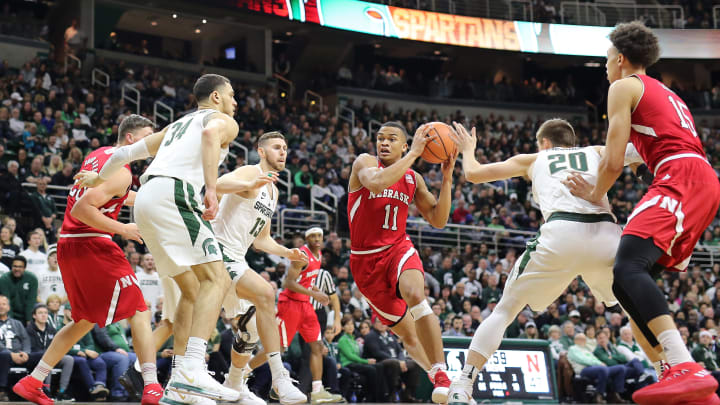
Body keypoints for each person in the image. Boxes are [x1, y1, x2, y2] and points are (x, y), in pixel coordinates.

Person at [563, 21, 720, 405]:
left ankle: (682, 365)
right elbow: (633, 150)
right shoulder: (665, 94)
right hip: (695, 177)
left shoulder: (622, 86)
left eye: (604, 60)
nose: (604, 68)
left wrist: (596, 194)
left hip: (680, 176)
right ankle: (680, 378)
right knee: (626, 279)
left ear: (619, 59)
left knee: (628, 266)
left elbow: (614, 161)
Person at [447, 118, 642, 403]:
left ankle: (464, 383)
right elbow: (639, 150)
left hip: (561, 232)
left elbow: (474, 174)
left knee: (505, 310)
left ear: (545, 143)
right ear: (571, 143)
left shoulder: (533, 158)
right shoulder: (596, 151)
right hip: (606, 234)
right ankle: (672, 367)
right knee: (635, 305)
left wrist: (468, 148)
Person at [75, 75, 241, 402]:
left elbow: (126, 154)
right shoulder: (221, 121)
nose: (235, 102)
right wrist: (210, 188)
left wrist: (99, 176)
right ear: (217, 97)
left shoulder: (177, 126)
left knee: (190, 291)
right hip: (174, 194)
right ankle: (193, 366)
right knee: (217, 277)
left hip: (147, 200)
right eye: (232, 95)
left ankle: (179, 383)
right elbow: (210, 135)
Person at [123, 132, 308, 405]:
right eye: (276, 147)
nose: (282, 152)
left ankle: (234, 382)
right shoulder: (251, 171)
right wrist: (248, 182)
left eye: (285, 147)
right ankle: (278, 379)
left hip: (239, 257)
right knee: (266, 294)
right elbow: (217, 184)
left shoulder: (274, 189)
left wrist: (286, 252)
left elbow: (261, 239)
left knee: (252, 328)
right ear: (261, 150)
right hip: (217, 253)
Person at [12, 114, 163, 405]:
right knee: (140, 310)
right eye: (148, 137)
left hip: (69, 244)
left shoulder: (99, 156)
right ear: (130, 139)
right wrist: (125, 229)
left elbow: (112, 194)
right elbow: (84, 208)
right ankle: (151, 385)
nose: (152, 145)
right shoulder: (121, 169)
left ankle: (33, 381)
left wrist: (148, 199)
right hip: (92, 244)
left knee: (82, 321)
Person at [347, 121, 456, 402]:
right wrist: (414, 155)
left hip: (398, 248)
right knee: (408, 337)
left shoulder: (412, 178)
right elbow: (376, 182)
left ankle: (443, 372)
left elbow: (438, 219)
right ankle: (437, 377)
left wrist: (447, 179)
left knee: (416, 295)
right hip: (365, 263)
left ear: (404, 144)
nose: (383, 143)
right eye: (380, 138)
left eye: (391, 139)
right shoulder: (365, 163)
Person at [265, 227, 343, 404]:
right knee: (278, 348)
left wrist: (316, 291)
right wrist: (315, 294)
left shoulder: (319, 255)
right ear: (307, 239)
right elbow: (288, 283)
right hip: (290, 304)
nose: (316, 239)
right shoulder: (302, 255)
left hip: (305, 305)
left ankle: (317, 391)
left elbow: (306, 281)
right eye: (312, 236)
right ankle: (243, 371)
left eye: (319, 236)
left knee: (317, 346)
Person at [25, 304, 74, 401]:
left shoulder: (52, 330)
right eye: (40, 313)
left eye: (45, 313)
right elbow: (30, 349)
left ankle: (62, 392)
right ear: (34, 316)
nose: (43, 315)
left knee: (69, 359)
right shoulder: (29, 330)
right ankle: (46, 390)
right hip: (35, 356)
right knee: (48, 358)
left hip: (49, 356)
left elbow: (57, 346)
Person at [568, 333, 627, 404]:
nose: (582, 341)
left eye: (584, 339)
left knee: (620, 368)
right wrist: (599, 364)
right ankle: (599, 395)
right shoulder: (573, 349)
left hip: (596, 367)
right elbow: (582, 360)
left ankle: (616, 394)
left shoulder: (586, 350)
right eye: (580, 339)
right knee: (603, 369)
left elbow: (594, 359)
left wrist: (600, 363)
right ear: (575, 340)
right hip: (584, 370)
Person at [0, 295, 33, 400]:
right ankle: (2, 391)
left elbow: (25, 339)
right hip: (3, 355)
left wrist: (26, 352)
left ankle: (39, 390)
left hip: (21, 354)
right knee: (4, 355)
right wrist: (10, 354)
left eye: (4, 304)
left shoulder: (17, 323)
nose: (1, 306)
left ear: (8, 307)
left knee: (41, 356)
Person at [0, 256, 38, 324]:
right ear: (11, 267)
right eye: (15, 266)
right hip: (9, 315)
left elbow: (31, 302)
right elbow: (7, 302)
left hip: (25, 315)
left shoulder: (32, 279)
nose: (17, 269)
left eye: (20, 267)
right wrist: (11, 322)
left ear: (24, 268)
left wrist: (29, 320)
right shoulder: (4, 279)